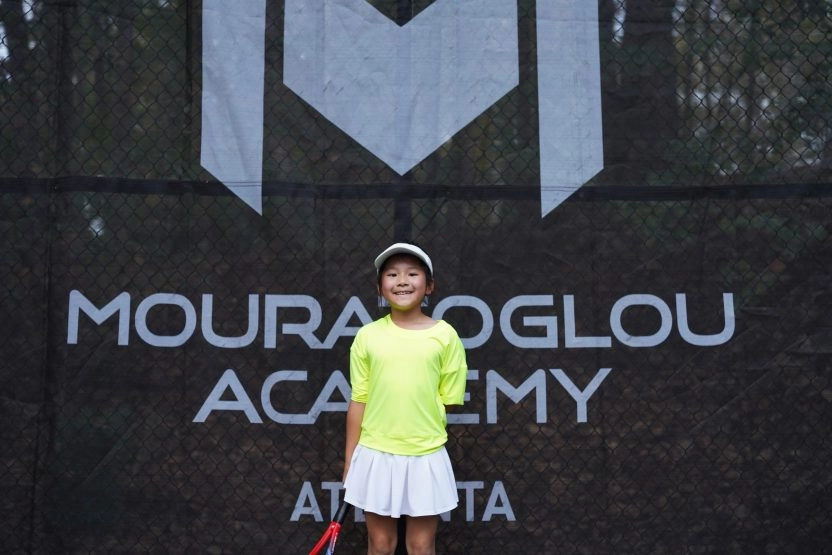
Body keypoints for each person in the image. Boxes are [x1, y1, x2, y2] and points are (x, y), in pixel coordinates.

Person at [342, 242, 468, 555]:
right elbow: (359, 401)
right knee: (381, 545)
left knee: (421, 545)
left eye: (412, 273)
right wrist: (350, 464)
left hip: (426, 455)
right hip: (375, 455)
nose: (402, 281)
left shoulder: (446, 336)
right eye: (392, 274)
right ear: (380, 287)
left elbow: (449, 399)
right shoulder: (367, 336)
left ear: (429, 287)